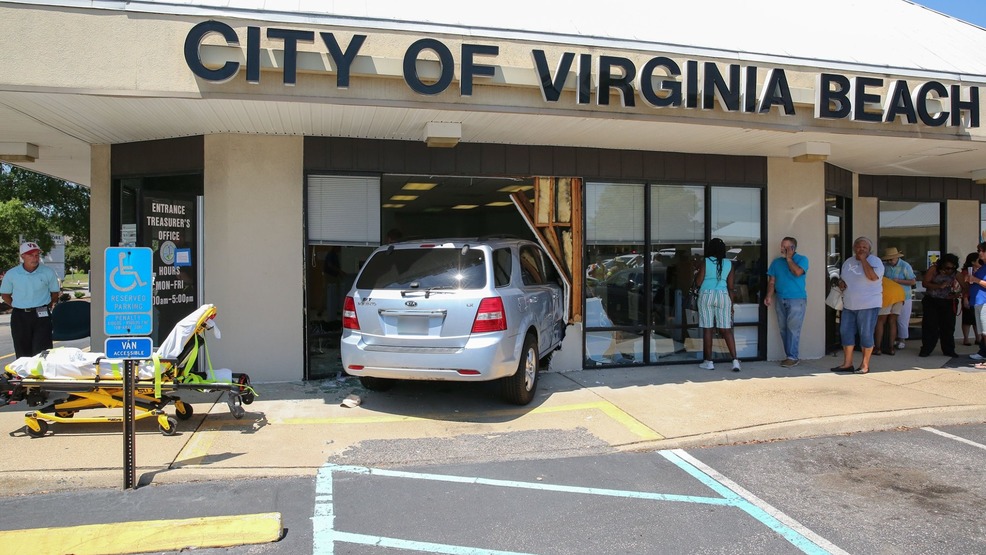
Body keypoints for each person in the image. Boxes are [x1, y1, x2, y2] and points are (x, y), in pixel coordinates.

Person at [0, 242, 61, 359]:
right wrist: (17, 305)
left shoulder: (48, 272)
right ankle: (24, 376)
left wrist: (47, 305)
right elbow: (5, 295)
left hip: (42, 315)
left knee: (43, 350)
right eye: (30, 255)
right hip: (20, 316)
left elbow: (54, 293)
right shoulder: (12, 274)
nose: (35, 258)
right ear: (22, 256)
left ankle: (42, 375)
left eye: (37, 255)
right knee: (22, 350)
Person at [832, 236, 884, 374]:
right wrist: (841, 283)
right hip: (849, 304)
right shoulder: (848, 261)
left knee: (866, 334)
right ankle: (847, 363)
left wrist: (863, 260)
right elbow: (844, 279)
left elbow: (872, 277)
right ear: (854, 248)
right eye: (858, 247)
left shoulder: (875, 261)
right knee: (845, 332)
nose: (861, 249)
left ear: (869, 250)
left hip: (868, 304)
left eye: (864, 247)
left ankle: (865, 365)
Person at [695, 238, 740, 372]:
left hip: (706, 295)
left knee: (708, 328)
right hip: (723, 295)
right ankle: (735, 361)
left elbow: (698, 282)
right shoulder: (729, 264)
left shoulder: (706, 262)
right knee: (726, 329)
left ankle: (709, 362)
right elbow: (731, 287)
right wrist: (731, 305)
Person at [764, 236, 808, 367]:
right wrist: (769, 296)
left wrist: (789, 259)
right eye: (782, 246)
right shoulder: (776, 262)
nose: (782, 248)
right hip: (780, 298)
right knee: (783, 329)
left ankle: (792, 356)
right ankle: (789, 355)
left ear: (793, 248)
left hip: (796, 299)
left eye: (785, 246)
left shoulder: (802, 259)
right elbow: (772, 281)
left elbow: (798, 272)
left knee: (793, 328)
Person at [918, 253, 962, 358]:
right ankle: (926, 349)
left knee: (948, 327)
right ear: (942, 265)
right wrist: (939, 286)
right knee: (930, 325)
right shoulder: (934, 269)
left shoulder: (956, 273)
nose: (949, 270)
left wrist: (958, 294)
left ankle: (949, 350)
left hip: (948, 301)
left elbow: (965, 286)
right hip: (932, 300)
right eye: (947, 268)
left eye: (952, 268)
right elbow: (925, 283)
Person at [881, 247, 916, 350]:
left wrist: (899, 281)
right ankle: (892, 339)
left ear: (896, 258)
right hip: (889, 296)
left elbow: (912, 281)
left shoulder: (905, 266)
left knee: (902, 319)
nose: (889, 261)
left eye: (891, 259)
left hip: (904, 296)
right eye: (888, 259)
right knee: (891, 319)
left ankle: (902, 339)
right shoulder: (885, 266)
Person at [964, 243, 986, 365]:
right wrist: (970, 278)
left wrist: (976, 280)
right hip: (978, 302)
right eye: (979, 250)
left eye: (982, 251)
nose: (979, 253)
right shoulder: (983, 267)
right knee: (982, 331)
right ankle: (983, 352)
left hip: (984, 302)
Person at [873, 276, 905, 355]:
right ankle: (891, 348)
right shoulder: (884, 278)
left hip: (887, 295)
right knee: (892, 321)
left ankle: (877, 348)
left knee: (880, 321)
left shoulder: (871, 279)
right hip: (900, 294)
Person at [960, 252, 979, 346]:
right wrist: (965, 298)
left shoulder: (981, 270)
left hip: (978, 297)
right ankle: (966, 339)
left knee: (977, 319)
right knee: (967, 318)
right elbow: (964, 287)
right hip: (968, 296)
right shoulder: (965, 272)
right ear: (972, 262)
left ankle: (978, 338)